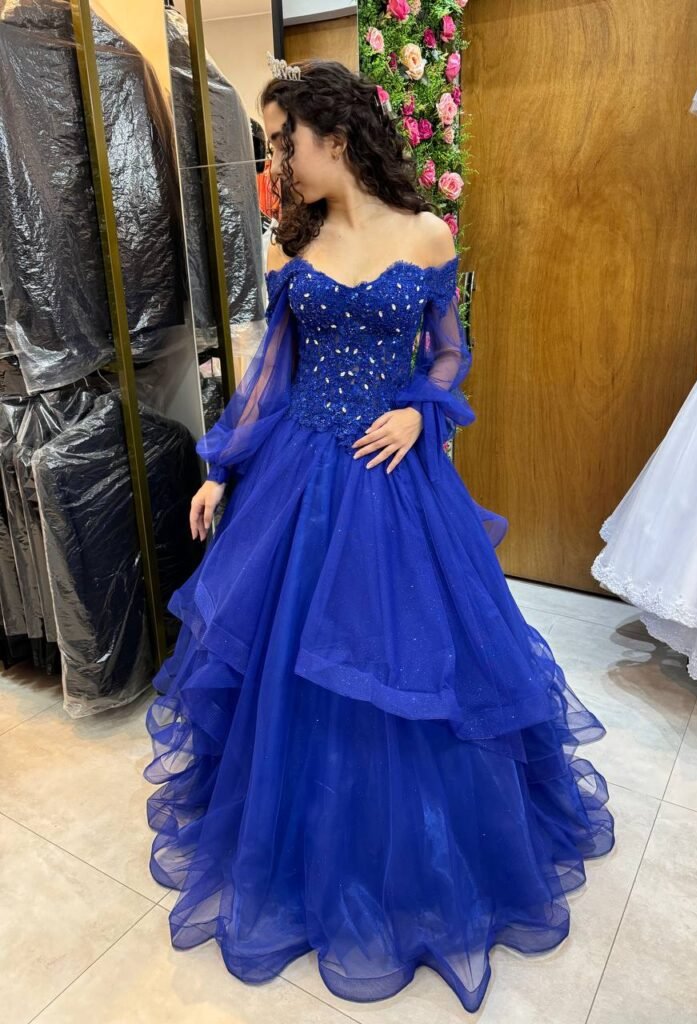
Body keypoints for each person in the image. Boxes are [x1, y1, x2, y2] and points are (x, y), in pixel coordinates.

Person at [144, 56, 614, 1015]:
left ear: (336, 138)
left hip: (395, 478)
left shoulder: (428, 235)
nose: (277, 162)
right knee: (295, 668)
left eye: (284, 142)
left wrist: (419, 410)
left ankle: (417, 849)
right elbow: (271, 373)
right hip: (301, 477)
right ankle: (305, 836)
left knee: (411, 658)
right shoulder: (291, 249)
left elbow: (447, 350)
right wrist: (219, 465)